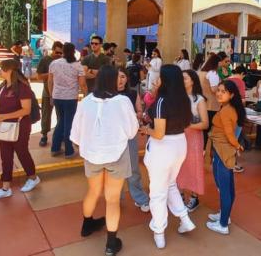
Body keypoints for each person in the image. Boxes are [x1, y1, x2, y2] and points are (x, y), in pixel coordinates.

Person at [71, 65, 139, 256]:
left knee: (93, 191)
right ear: (110, 81)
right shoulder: (123, 101)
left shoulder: (85, 102)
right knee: (112, 199)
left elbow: (75, 135)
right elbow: (133, 131)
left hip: (92, 155)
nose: (121, 81)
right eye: (118, 78)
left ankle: (87, 225)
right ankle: (111, 244)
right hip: (117, 155)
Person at [140, 65, 196, 249]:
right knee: (170, 183)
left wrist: (146, 129)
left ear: (164, 80)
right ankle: (184, 219)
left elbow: (159, 133)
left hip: (162, 148)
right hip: (180, 144)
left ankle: (159, 231)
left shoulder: (162, 101)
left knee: (157, 192)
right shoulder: (184, 99)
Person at [0, 59, 42, 201]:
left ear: (10, 70)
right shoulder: (2, 87)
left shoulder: (22, 88)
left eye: (1, 69)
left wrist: (4, 116)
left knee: (22, 152)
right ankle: (5, 187)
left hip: (20, 127)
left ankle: (32, 177)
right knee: (5, 157)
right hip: (4, 128)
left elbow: (26, 110)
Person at [204, 79, 247, 234]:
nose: (219, 94)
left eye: (224, 92)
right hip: (221, 149)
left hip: (223, 151)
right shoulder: (228, 107)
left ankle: (223, 225)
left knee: (224, 188)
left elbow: (229, 134)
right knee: (226, 186)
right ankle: (224, 215)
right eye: (219, 90)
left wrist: (237, 146)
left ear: (232, 94)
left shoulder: (227, 110)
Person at [115, 66, 151, 213]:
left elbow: (139, 111)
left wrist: (137, 116)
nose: (120, 80)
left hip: (129, 136)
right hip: (112, 138)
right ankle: (115, 197)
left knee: (133, 168)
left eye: (123, 76)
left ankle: (140, 198)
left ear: (127, 79)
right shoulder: (107, 95)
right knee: (114, 169)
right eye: (117, 76)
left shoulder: (131, 93)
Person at [48, 42, 87, 158]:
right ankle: (69, 151)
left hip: (57, 97)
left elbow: (50, 81)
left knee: (60, 121)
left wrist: (51, 95)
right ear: (74, 51)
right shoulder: (77, 66)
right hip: (70, 98)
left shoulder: (54, 64)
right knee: (68, 123)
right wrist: (86, 95)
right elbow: (82, 84)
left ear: (63, 51)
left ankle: (55, 148)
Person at [178, 70, 210, 212]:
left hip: (193, 138)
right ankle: (179, 194)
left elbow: (205, 124)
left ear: (193, 81)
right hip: (178, 136)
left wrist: (187, 125)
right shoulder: (178, 96)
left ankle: (194, 197)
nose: (182, 80)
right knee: (179, 166)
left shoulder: (199, 100)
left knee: (194, 166)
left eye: (184, 78)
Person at [34, 42, 62, 147]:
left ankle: (61, 135)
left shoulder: (62, 61)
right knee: (46, 116)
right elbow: (38, 76)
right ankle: (44, 135)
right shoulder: (45, 60)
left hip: (61, 93)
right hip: (47, 93)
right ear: (53, 49)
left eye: (61, 53)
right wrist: (51, 74)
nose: (59, 55)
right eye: (57, 52)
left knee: (61, 116)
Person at [198, 53, 222, 146]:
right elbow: (213, 89)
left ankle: (201, 147)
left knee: (203, 127)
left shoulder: (201, 72)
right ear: (216, 63)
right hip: (211, 104)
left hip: (202, 102)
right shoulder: (213, 73)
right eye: (220, 62)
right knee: (208, 128)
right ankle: (205, 148)